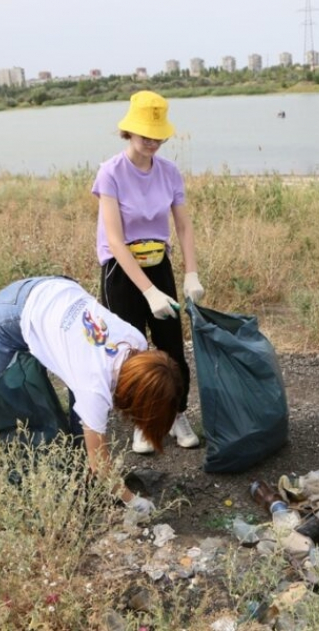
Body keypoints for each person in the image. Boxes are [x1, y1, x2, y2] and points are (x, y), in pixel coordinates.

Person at [0, 276, 183, 514]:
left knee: (84, 426)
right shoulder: (94, 387)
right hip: (10, 312)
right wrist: (132, 501)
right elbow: (100, 464)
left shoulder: (137, 343)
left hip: (59, 292)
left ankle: (77, 476)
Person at [92, 90, 203, 454]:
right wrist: (147, 292)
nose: (153, 142)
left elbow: (183, 227)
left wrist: (190, 273)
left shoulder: (170, 173)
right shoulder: (111, 173)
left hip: (159, 264)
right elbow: (115, 240)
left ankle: (176, 413)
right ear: (129, 133)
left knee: (171, 346)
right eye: (146, 136)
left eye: (158, 136)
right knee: (132, 350)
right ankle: (143, 420)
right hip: (121, 273)